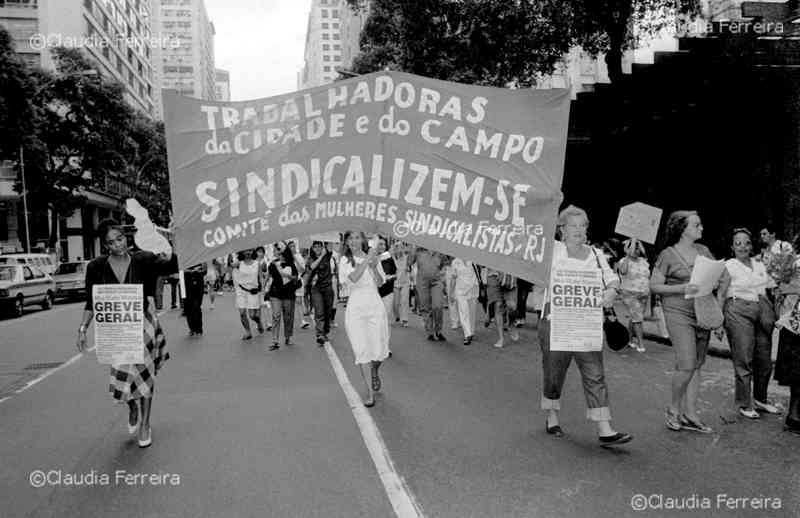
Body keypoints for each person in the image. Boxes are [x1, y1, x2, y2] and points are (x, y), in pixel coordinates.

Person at [76, 219, 175, 448]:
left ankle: (145, 425)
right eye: (111, 242)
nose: (117, 245)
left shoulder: (144, 259)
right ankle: (132, 406)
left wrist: (172, 243)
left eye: (120, 239)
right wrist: (82, 329)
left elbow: (170, 264)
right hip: (117, 330)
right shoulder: (96, 267)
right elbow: (91, 302)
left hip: (143, 324)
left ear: (126, 238)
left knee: (146, 375)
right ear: (105, 245)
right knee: (124, 382)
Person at [538, 205, 632, 446]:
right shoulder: (551, 250)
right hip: (555, 320)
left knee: (594, 372)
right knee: (554, 372)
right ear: (562, 230)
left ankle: (604, 427)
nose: (579, 230)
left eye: (583, 225)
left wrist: (611, 291)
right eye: (573, 225)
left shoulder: (596, 254)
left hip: (586, 321)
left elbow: (612, 280)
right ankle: (552, 414)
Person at [650, 210, 716, 434]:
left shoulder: (704, 251)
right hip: (677, 311)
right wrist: (681, 288)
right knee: (687, 363)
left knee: (696, 365)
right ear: (683, 229)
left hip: (701, 310)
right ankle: (673, 409)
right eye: (696, 225)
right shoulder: (668, 255)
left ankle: (690, 413)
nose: (701, 228)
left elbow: (716, 274)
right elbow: (654, 286)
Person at [716, 228, 779, 419]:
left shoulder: (760, 265)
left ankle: (760, 399)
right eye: (738, 243)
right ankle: (745, 403)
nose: (743, 246)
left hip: (761, 309)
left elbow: (772, 287)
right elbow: (720, 293)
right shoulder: (728, 265)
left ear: (751, 245)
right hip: (737, 309)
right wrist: (718, 322)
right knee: (744, 357)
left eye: (746, 242)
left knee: (764, 359)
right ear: (732, 247)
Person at [339, 231, 390, 407]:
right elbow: (353, 278)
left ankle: (374, 370)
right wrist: (368, 259)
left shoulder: (372, 258)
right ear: (346, 241)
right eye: (350, 238)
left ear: (362, 240)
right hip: (356, 308)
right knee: (361, 350)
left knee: (379, 348)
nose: (354, 241)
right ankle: (369, 392)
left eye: (357, 237)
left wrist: (374, 266)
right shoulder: (344, 260)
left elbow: (380, 283)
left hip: (374, 305)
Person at [775, 233, 800, 435]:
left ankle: (794, 415)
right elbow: (782, 285)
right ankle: (793, 416)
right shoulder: (793, 258)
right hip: (795, 321)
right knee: (796, 371)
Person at [616, 238, 650, 352]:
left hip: (643, 294)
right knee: (638, 318)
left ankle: (630, 340)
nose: (636, 251)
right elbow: (623, 271)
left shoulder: (643, 261)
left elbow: (644, 252)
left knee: (634, 318)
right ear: (627, 250)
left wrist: (637, 241)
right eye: (634, 249)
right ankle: (641, 344)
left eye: (637, 249)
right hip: (629, 294)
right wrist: (628, 253)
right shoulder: (623, 261)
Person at [268, 242, 299, 350]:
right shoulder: (273, 264)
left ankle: (288, 337)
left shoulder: (292, 265)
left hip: (289, 294)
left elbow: (296, 278)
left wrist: (288, 275)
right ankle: (275, 340)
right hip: (276, 294)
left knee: (288, 316)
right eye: (279, 253)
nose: (280, 255)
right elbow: (273, 276)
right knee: (276, 316)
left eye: (283, 253)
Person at [410, 246, 446, 341]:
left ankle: (438, 330)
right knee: (425, 307)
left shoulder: (439, 250)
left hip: (437, 281)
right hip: (422, 282)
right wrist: (413, 248)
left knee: (437, 306)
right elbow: (409, 263)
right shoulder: (418, 250)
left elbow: (443, 264)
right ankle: (430, 331)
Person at [308, 241, 336, 347]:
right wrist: (322, 256)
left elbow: (331, 244)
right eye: (315, 247)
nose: (318, 248)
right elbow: (312, 267)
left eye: (320, 246)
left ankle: (325, 331)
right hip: (316, 288)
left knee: (327, 311)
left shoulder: (327, 255)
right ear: (312, 248)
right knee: (319, 311)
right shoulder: (311, 258)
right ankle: (319, 334)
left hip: (328, 287)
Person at [482, 268, 519, 348]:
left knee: (512, 306)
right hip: (493, 274)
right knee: (498, 306)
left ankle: (511, 324)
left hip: (510, 275)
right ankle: (501, 338)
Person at [233, 250, 264, 340]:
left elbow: (261, 278)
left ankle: (258, 322)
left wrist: (262, 291)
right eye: (246, 251)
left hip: (253, 291)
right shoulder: (238, 263)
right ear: (242, 252)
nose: (248, 252)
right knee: (242, 313)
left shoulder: (257, 264)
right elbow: (230, 267)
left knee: (253, 316)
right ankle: (248, 332)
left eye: (250, 250)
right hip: (241, 291)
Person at [449, 256, 479, 345]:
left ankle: (471, 332)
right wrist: (451, 293)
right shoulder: (455, 262)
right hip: (460, 291)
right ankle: (467, 334)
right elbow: (453, 278)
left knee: (472, 312)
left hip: (473, 289)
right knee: (463, 312)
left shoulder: (474, 259)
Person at [376, 236, 397, 337]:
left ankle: (385, 346)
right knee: (376, 320)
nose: (382, 246)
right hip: (374, 293)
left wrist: (388, 277)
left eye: (384, 244)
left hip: (387, 292)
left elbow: (394, 274)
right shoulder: (371, 258)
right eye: (380, 244)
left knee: (386, 318)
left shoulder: (389, 258)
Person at [288, 241, 311, 330]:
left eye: (294, 246)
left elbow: (302, 269)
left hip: (298, 281)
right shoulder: (285, 258)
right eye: (291, 246)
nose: (292, 248)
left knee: (298, 301)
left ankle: (302, 321)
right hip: (288, 282)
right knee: (289, 303)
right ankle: (290, 321)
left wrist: (295, 259)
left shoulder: (298, 257)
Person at [184, 263, 206, 336]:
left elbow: (205, 271)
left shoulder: (200, 258)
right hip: (186, 285)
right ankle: (192, 329)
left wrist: (198, 270)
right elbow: (179, 270)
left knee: (196, 307)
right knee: (188, 308)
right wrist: (191, 271)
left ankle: (199, 329)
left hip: (198, 285)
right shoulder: (183, 258)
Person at [254, 246, 272, 332]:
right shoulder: (253, 262)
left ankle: (268, 323)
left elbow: (267, 274)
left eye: (261, 252)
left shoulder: (265, 262)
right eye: (258, 251)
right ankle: (259, 324)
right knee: (258, 307)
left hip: (264, 286)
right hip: (255, 287)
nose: (260, 253)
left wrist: (264, 285)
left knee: (265, 305)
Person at [392, 242, 410, 327]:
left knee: (404, 301)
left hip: (405, 282)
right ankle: (397, 317)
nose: (400, 249)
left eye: (401, 248)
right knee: (395, 303)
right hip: (395, 283)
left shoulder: (407, 258)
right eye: (398, 248)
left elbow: (409, 267)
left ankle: (405, 319)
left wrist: (408, 268)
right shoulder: (392, 258)